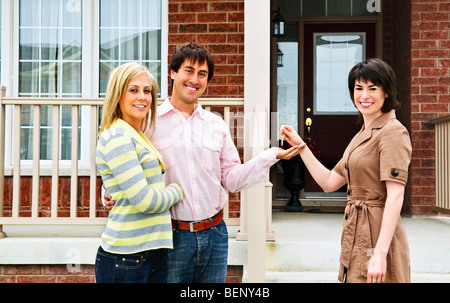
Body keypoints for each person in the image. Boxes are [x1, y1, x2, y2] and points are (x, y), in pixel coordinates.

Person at [104, 42, 302, 282]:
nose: (195, 80)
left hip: (216, 235)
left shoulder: (215, 124)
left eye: (202, 74)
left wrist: (270, 155)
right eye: (189, 71)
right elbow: (124, 163)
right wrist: (108, 189)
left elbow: (231, 179)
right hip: (171, 237)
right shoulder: (148, 122)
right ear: (173, 73)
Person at [281, 58, 412, 283]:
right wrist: (301, 146)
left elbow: (396, 195)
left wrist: (380, 254)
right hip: (355, 230)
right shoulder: (361, 134)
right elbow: (329, 182)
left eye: (372, 88)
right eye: (358, 88)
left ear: (387, 92)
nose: (364, 95)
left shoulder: (392, 132)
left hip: (377, 232)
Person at [95, 63, 183, 283]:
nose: (142, 97)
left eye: (147, 91)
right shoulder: (117, 136)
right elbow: (143, 200)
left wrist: (107, 188)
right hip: (126, 257)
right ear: (117, 95)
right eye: (133, 90)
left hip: (152, 251)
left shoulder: (137, 134)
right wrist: (177, 191)